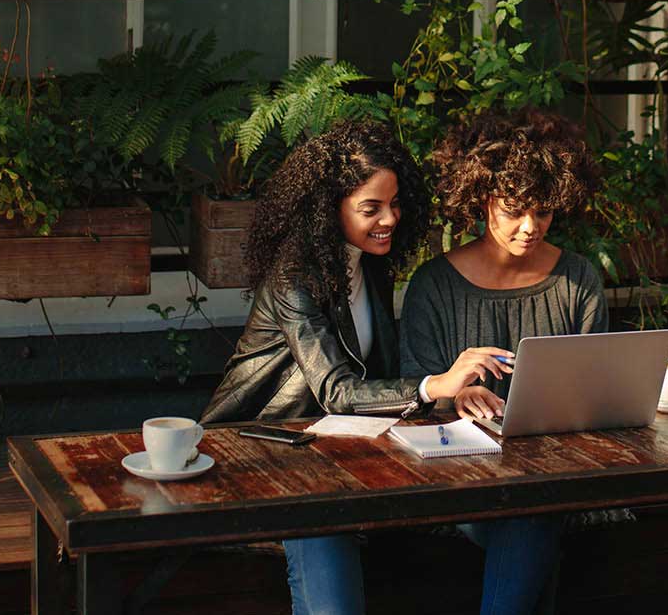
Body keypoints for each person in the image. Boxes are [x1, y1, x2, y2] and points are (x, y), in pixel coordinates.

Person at [200, 119, 510, 615]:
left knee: (506, 507)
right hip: (265, 446)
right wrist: (436, 384)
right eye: (371, 208)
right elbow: (337, 391)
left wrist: (454, 395)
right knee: (325, 524)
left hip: (342, 449)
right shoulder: (292, 276)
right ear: (329, 210)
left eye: (394, 203)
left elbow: (380, 378)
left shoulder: (371, 265)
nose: (389, 218)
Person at [399, 107, 608, 613]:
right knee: (528, 512)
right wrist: (453, 394)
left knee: (534, 504)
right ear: (482, 201)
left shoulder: (578, 280)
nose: (530, 227)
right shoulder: (434, 286)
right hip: (463, 478)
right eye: (515, 210)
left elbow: (598, 390)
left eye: (544, 210)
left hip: (559, 471)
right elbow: (411, 393)